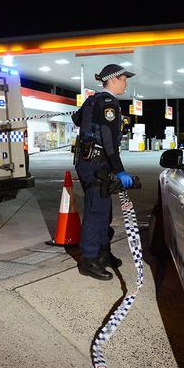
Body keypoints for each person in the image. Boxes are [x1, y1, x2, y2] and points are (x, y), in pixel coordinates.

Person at [72, 64, 135, 281]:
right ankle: (89, 260)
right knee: (96, 212)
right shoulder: (109, 103)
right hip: (96, 163)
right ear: (114, 79)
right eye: (124, 79)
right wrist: (120, 171)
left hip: (89, 160)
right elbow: (108, 142)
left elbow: (76, 119)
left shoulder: (93, 99)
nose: (126, 83)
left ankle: (102, 253)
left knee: (104, 210)